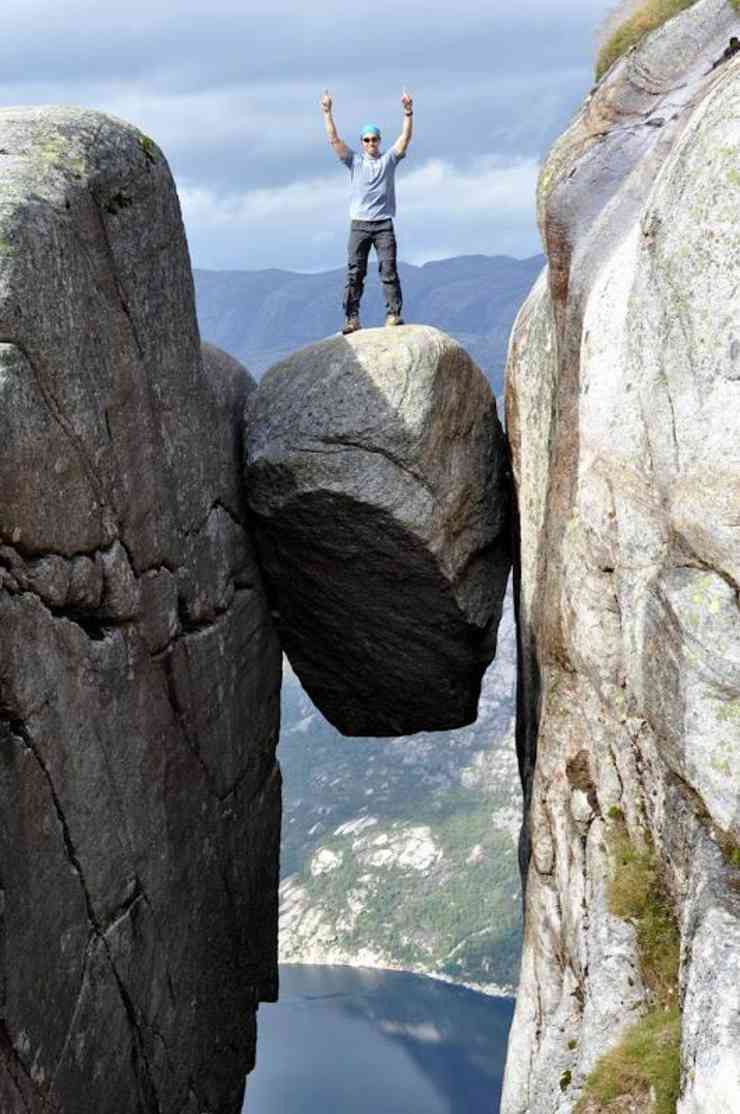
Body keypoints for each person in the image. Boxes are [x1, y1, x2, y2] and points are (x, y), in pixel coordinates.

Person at [320, 89, 413, 334]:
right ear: (362, 143)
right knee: (355, 273)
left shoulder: (388, 161)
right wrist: (327, 112)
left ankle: (394, 314)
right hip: (359, 225)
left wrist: (407, 113)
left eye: (374, 139)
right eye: (367, 140)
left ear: (379, 141)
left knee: (389, 270)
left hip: (383, 224)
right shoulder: (355, 161)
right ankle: (352, 319)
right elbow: (334, 141)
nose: (371, 143)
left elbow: (404, 139)